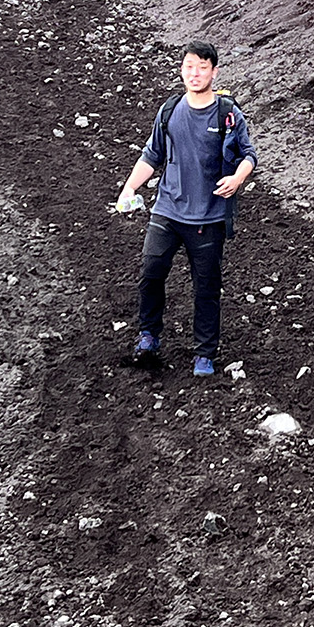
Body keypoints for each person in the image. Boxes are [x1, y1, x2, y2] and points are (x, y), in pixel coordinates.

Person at [116, 41, 257, 376]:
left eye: (203, 67)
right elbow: (152, 155)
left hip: (209, 217)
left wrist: (237, 179)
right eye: (190, 66)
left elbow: (248, 155)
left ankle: (204, 354)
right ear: (182, 69)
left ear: (214, 72)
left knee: (206, 287)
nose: (195, 73)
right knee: (150, 273)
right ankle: (149, 336)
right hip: (167, 210)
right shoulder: (169, 111)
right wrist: (130, 187)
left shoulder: (228, 115)